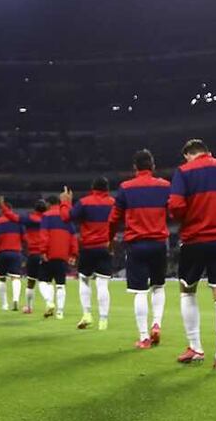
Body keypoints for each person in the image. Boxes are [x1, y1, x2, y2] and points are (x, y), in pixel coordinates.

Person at [168, 139, 216, 369]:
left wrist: (190, 217)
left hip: (195, 239)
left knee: (187, 291)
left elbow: (175, 206)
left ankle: (196, 347)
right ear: (208, 152)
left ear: (188, 155)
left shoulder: (183, 171)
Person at [109, 149, 171, 350]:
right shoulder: (165, 187)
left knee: (139, 291)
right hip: (159, 243)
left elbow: (114, 218)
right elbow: (174, 211)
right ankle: (157, 323)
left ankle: (144, 337)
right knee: (158, 286)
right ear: (153, 166)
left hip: (136, 244)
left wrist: (109, 238)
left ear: (135, 167)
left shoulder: (126, 188)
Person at [59, 177, 116, 331]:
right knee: (103, 284)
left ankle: (87, 314)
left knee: (84, 280)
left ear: (93, 188)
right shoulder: (113, 203)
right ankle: (103, 320)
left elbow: (66, 217)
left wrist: (65, 202)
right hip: (105, 247)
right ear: (107, 189)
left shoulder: (85, 202)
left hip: (88, 248)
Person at [0, 197, 48, 314]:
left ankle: (29, 307)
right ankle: (50, 302)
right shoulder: (49, 219)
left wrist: (2, 206)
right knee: (46, 282)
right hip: (46, 254)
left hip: (33, 253)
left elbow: (13, 217)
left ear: (35, 208)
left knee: (31, 283)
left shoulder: (29, 218)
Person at [40, 195, 77, 320]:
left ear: (49, 204)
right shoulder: (67, 216)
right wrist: (73, 253)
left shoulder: (46, 215)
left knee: (45, 282)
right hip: (63, 254)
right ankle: (60, 312)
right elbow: (73, 237)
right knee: (61, 284)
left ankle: (49, 302)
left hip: (50, 254)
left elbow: (44, 235)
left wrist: (43, 251)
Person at [0, 196, 26, 311]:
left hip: (2, 252)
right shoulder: (18, 221)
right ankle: (15, 299)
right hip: (15, 252)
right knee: (16, 278)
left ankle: (4, 304)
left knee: (2, 279)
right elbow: (24, 237)